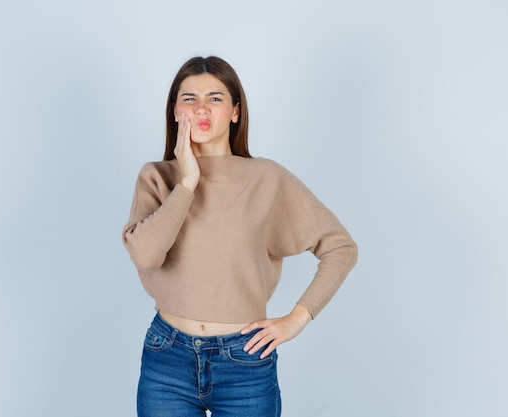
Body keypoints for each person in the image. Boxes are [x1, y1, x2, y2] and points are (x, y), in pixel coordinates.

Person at [122, 56, 357, 417]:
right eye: (189, 98)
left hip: (244, 363)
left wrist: (297, 317)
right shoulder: (157, 177)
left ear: (235, 112)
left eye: (215, 98)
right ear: (174, 111)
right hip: (167, 359)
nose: (201, 108)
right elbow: (147, 255)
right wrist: (187, 182)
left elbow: (340, 247)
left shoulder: (266, 179)